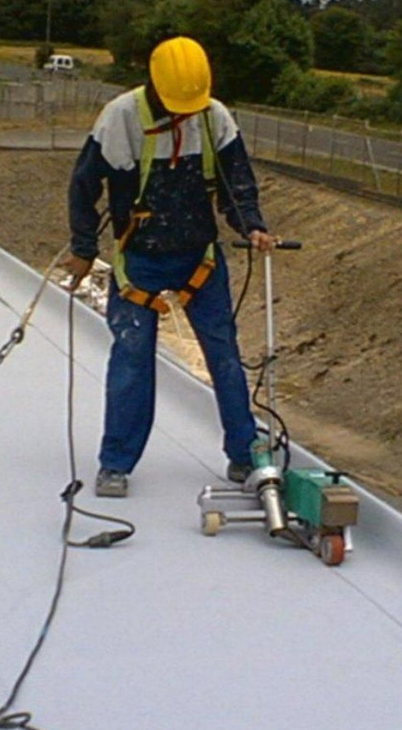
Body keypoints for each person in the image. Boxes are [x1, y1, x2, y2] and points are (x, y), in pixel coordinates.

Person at [66, 36, 275, 498]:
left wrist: (251, 226)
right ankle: (116, 462)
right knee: (133, 357)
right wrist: (83, 247)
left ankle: (245, 454)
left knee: (223, 353)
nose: (182, 113)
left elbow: (236, 182)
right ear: (154, 86)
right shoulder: (121, 118)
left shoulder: (212, 116)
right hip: (137, 258)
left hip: (198, 256)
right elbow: (83, 187)